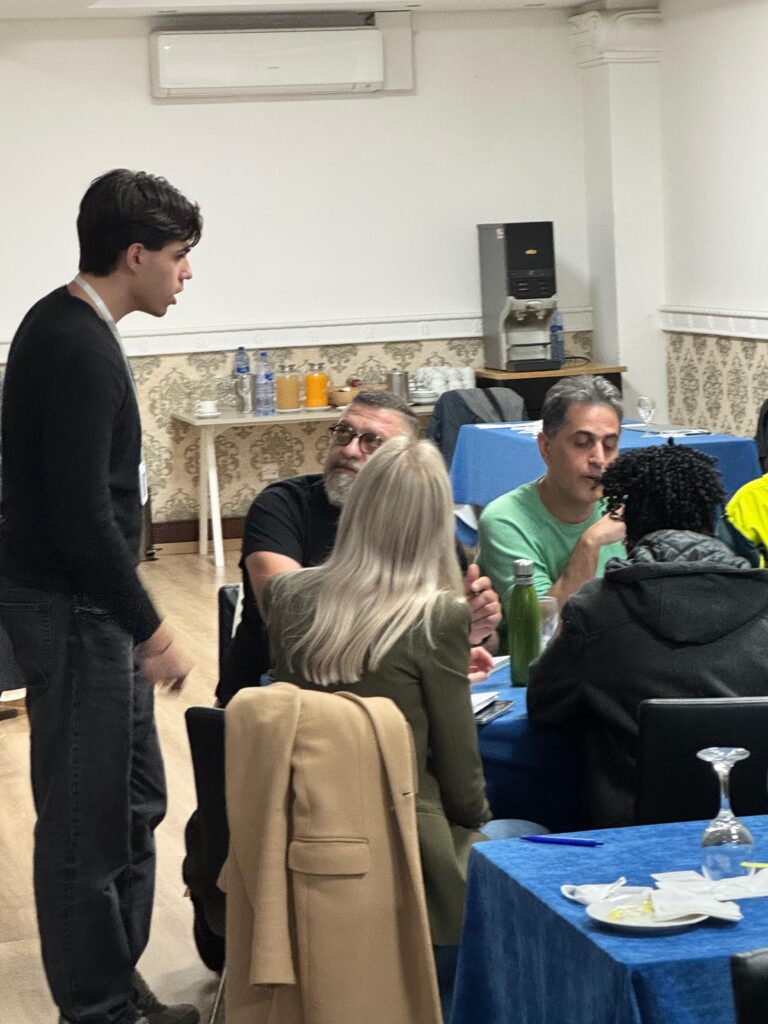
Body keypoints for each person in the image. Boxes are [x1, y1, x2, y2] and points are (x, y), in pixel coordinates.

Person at [0, 170, 202, 1024]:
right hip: (74, 611)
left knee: (136, 803)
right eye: (179, 255)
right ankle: (99, 1011)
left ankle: (116, 987)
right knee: (85, 829)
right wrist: (150, 627)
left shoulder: (72, 329)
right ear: (135, 254)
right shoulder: (73, 342)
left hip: (89, 608)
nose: (186, 273)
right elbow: (81, 516)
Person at [262, 435, 545, 1018]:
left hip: (304, 836)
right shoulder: (436, 616)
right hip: (408, 851)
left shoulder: (288, 596)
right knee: (533, 835)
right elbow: (463, 785)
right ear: (435, 525)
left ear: (358, 508)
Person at [527, 444, 768, 829]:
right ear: (711, 520)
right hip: (756, 837)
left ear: (627, 525)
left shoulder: (596, 610)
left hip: (626, 837)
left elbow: (543, 705)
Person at [216, 389, 502, 705]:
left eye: (372, 442)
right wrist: (440, 631)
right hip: (272, 706)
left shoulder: (421, 523)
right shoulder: (282, 507)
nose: (350, 449)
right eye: (343, 433)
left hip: (393, 702)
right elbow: (294, 624)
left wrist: (473, 629)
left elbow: (480, 644)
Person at [478, 374, 627, 649]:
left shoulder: (623, 504)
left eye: (609, 445)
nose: (599, 459)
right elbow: (541, 635)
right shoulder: (505, 519)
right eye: (582, 443)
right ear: (546, 448)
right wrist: (589, 544)